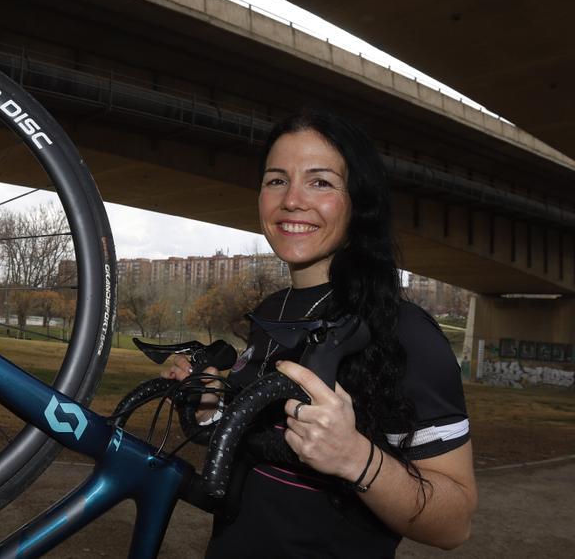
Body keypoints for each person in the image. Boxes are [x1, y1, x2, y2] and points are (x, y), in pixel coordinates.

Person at [163, 109, 476, 556]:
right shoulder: (273, 311)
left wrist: (353, 458)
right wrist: (211, 403)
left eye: (320, 182)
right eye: (276, 180)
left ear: (358, 201)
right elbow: (263, 456)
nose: (292, 200)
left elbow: (455, 524)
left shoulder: (405, 332)